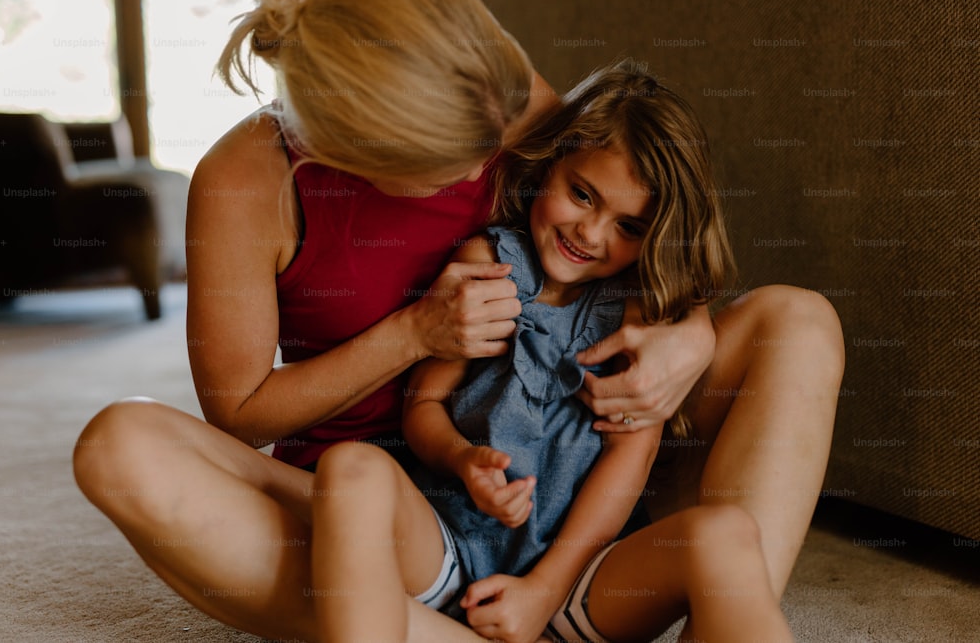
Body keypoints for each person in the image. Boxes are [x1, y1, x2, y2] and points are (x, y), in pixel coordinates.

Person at [72, 0, 843, 640]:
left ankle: (706, 619)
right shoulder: (243, 180)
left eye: (494, 138)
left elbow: (647, 217)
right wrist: (414, 333)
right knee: (120, 444)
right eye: (460, 160)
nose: (494, 161)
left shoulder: (485, 89)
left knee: (799, 322)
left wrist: (691, 329)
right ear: (360, 151)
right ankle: (410, 619)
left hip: (567, 472)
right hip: (375, 509)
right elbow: (240, 412)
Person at [309, 59, 794, 643]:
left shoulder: (642, 317)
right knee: (349, 468)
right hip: (451, 544)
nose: (591, 233)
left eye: (630, 227)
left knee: (728, 537)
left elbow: (627, 466)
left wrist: (544, 591)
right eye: (582, 194)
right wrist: (463, 460)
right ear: (550, 162)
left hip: (578, 579)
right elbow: (423, 405)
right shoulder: (486, 266)